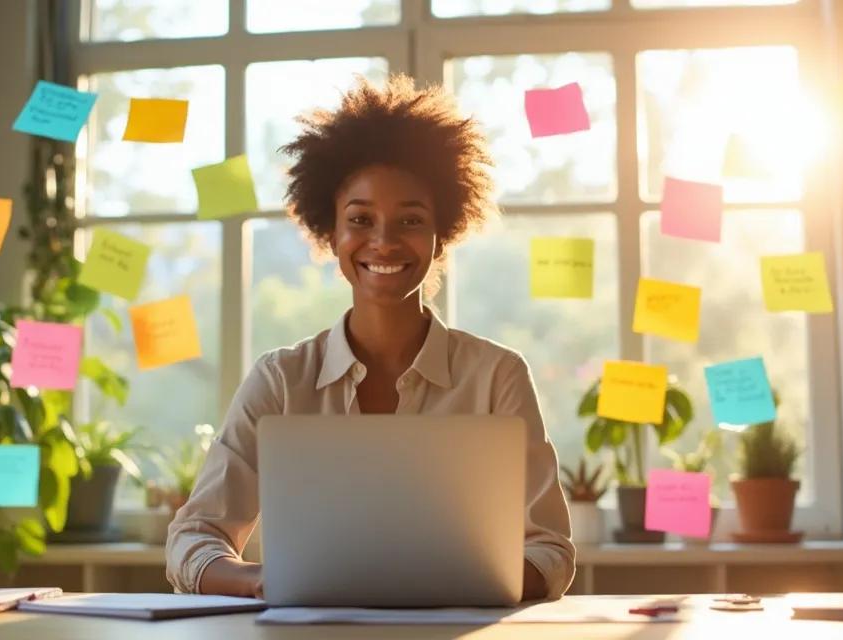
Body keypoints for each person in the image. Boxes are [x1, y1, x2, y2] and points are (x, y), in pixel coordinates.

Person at [164, 74, 575, 601]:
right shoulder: (281, 381)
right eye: (360, 219)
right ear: (329, 231)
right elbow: (192, 541)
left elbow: (550, 551)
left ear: (440, 233)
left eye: (410, 219)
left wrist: (454, 584)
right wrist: (264, 579)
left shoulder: (497, 376)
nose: (383, 241)